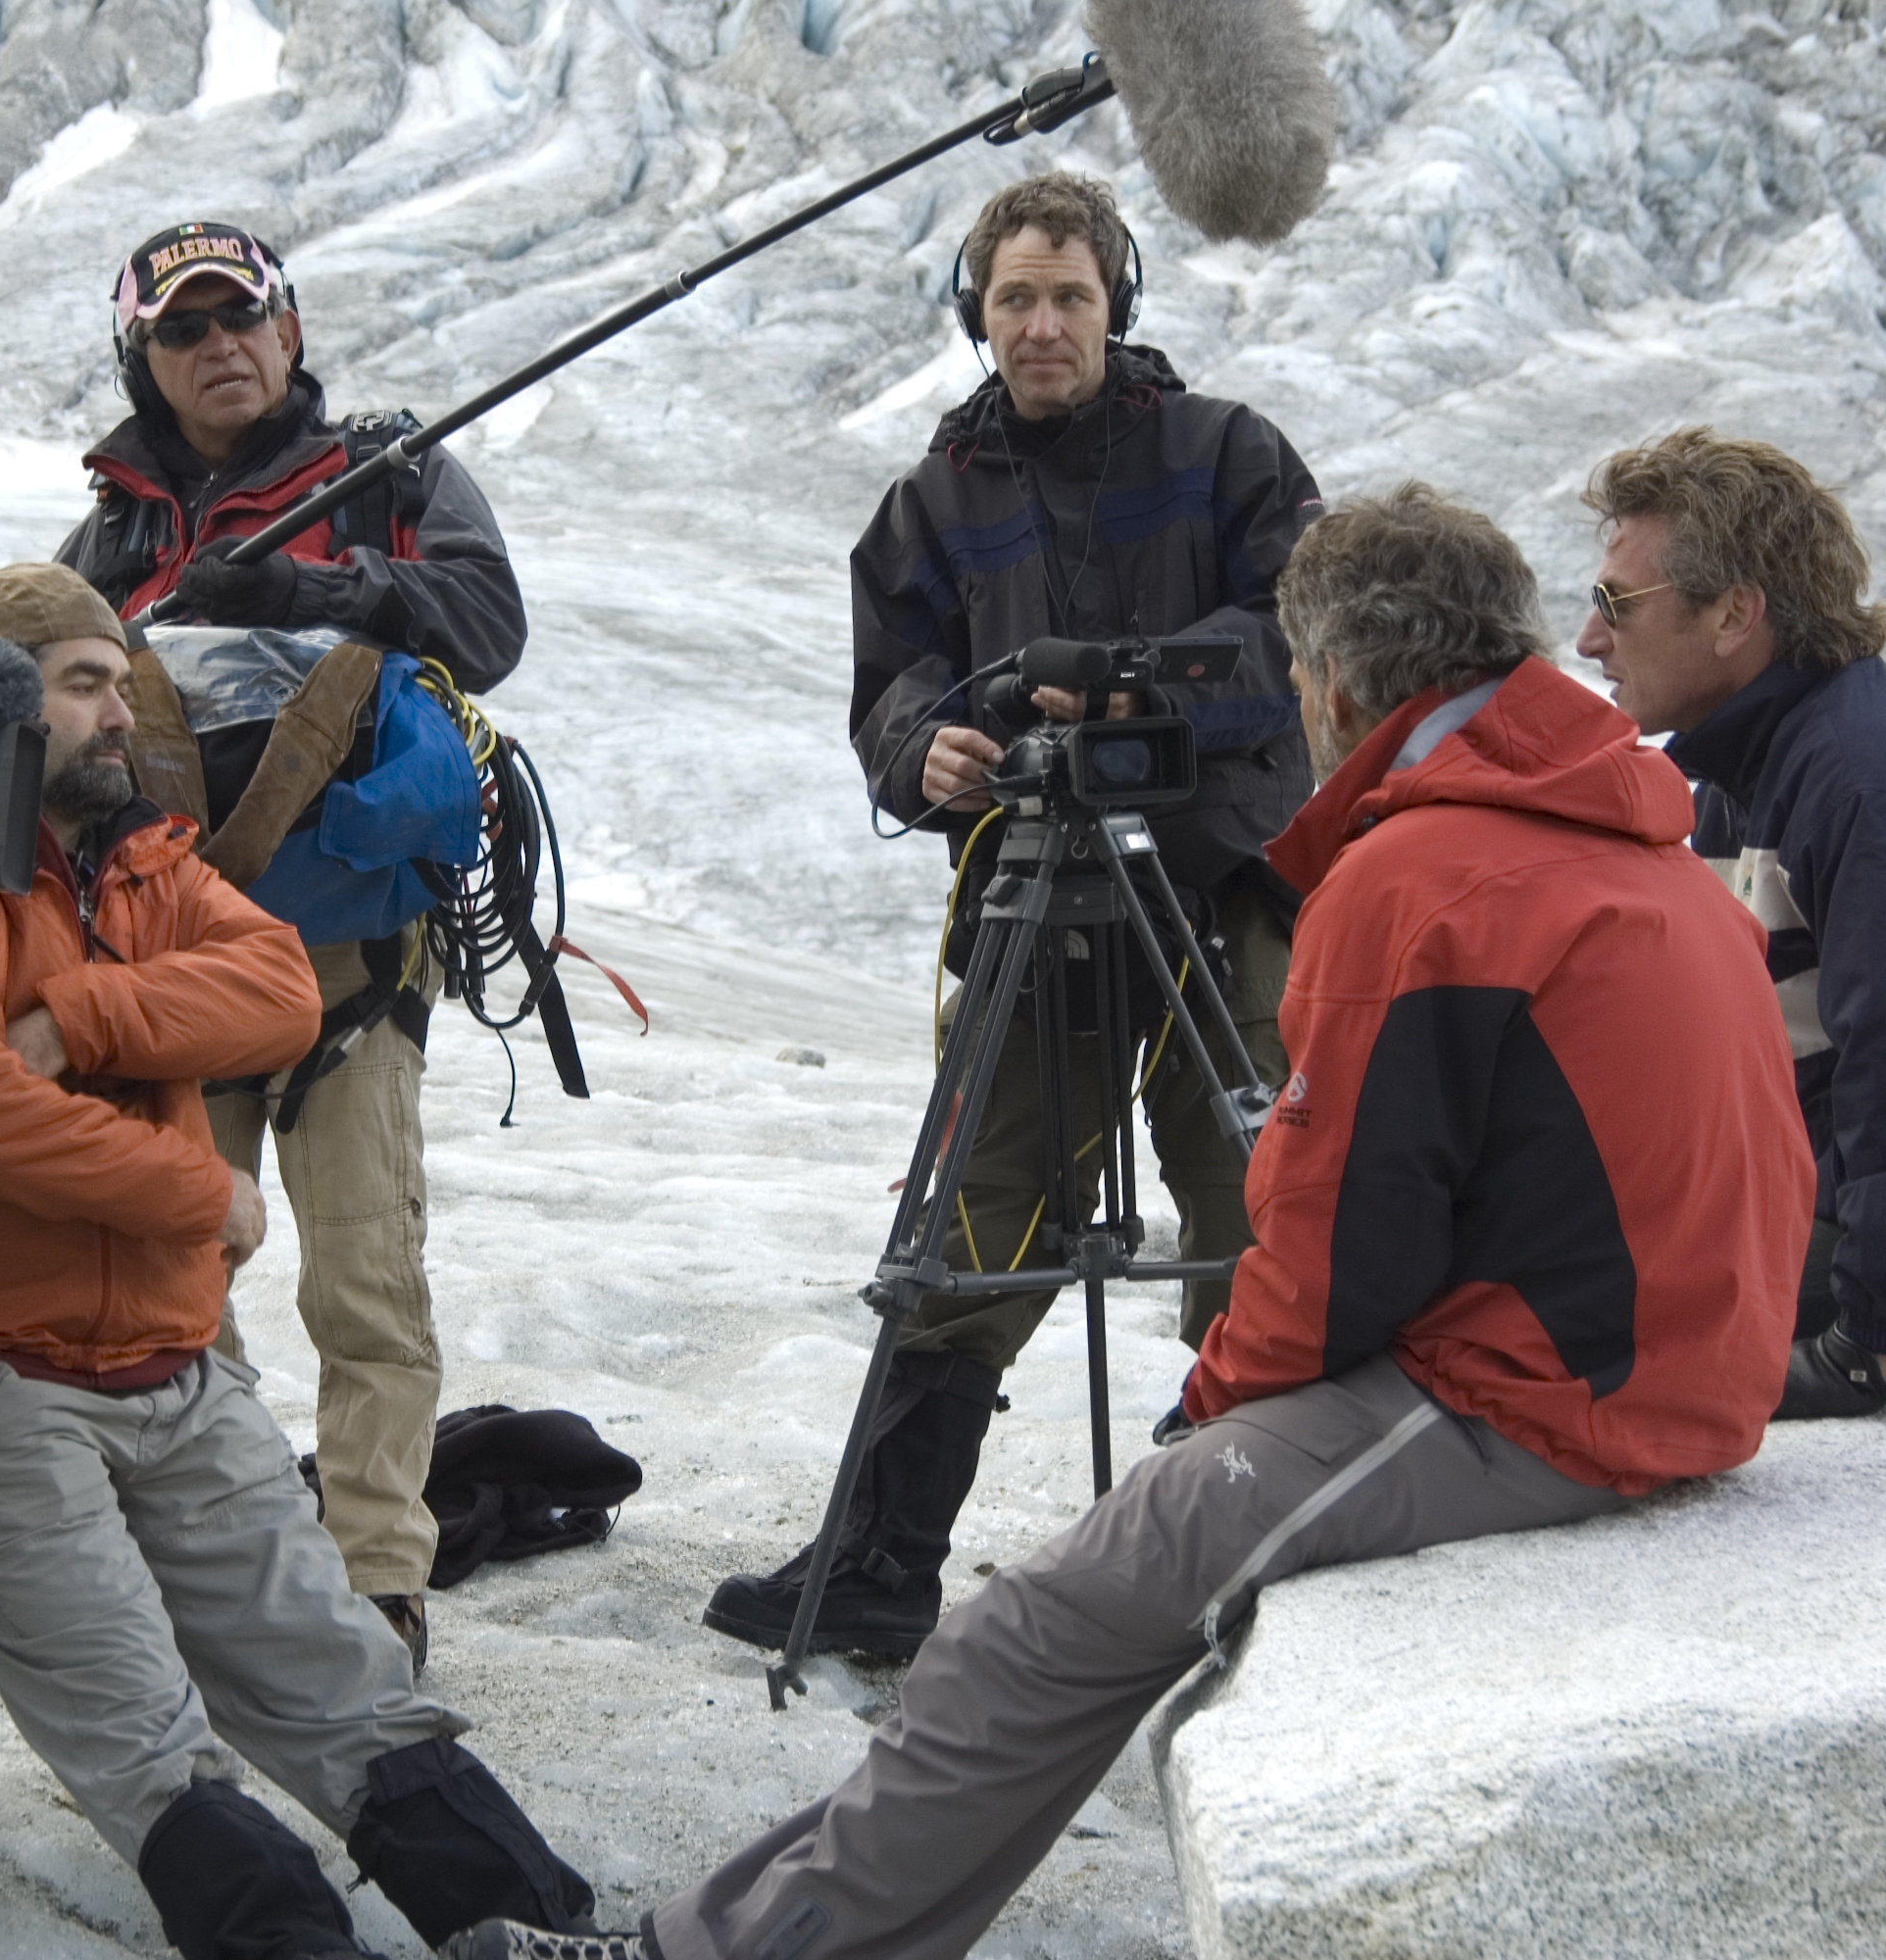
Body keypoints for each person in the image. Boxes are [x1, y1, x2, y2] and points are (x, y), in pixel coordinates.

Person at [452, 485, 1811, 1960]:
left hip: (1549, 1401)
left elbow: (1347, 1234)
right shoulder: (1614, 823)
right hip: (1660, 1363)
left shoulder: (1430, 875)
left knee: (1028, 1631)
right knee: (1075, 1596)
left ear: (1336, 677)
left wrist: (1207, 1422)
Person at [0, 562, 599, 1960]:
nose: (124, 713)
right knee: (152, 1746)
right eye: (85, 684)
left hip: (168, 1373)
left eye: (122, 679)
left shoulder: (152, 869)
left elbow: (280, 991)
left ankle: (550, 1930)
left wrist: (82, 1012)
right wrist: (195, 1190)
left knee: (354, 1697)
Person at [707, 171, 1326, 1663]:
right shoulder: (933, 501)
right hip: (1035, 889)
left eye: (1070, 298)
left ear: (1118, 304)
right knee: (978, 1212)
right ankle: (876, 1566)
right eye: (1013, 302)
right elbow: (890, 690)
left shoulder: (1227, 452)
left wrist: (1131, 678)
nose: (1043, 326)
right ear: (975, 318)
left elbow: (1300, 629)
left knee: (1259, 1198)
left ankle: (1271, 1557)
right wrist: (927, 746)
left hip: (1219, 876)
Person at [57, 220, 529, 1663]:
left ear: (291, 326)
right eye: (184, 330)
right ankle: (231, 1552)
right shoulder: (110, 534)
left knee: (363, 1282)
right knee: (171, 1279)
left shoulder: (396, 479)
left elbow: (487, 627)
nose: (221, 348)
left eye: (242, 316)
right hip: (169, 975)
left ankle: (379, 1586)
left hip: (352, 975)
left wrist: (317, 594)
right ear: (144, 358)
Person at [1576, 427, 1886, 1419]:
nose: (1587, 640)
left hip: (1846, 1241)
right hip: (1800, 1205)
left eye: (1614, 604)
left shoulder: (1850, 776)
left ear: (1732, 615)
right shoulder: (1724, 765)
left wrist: (1863, 1343)